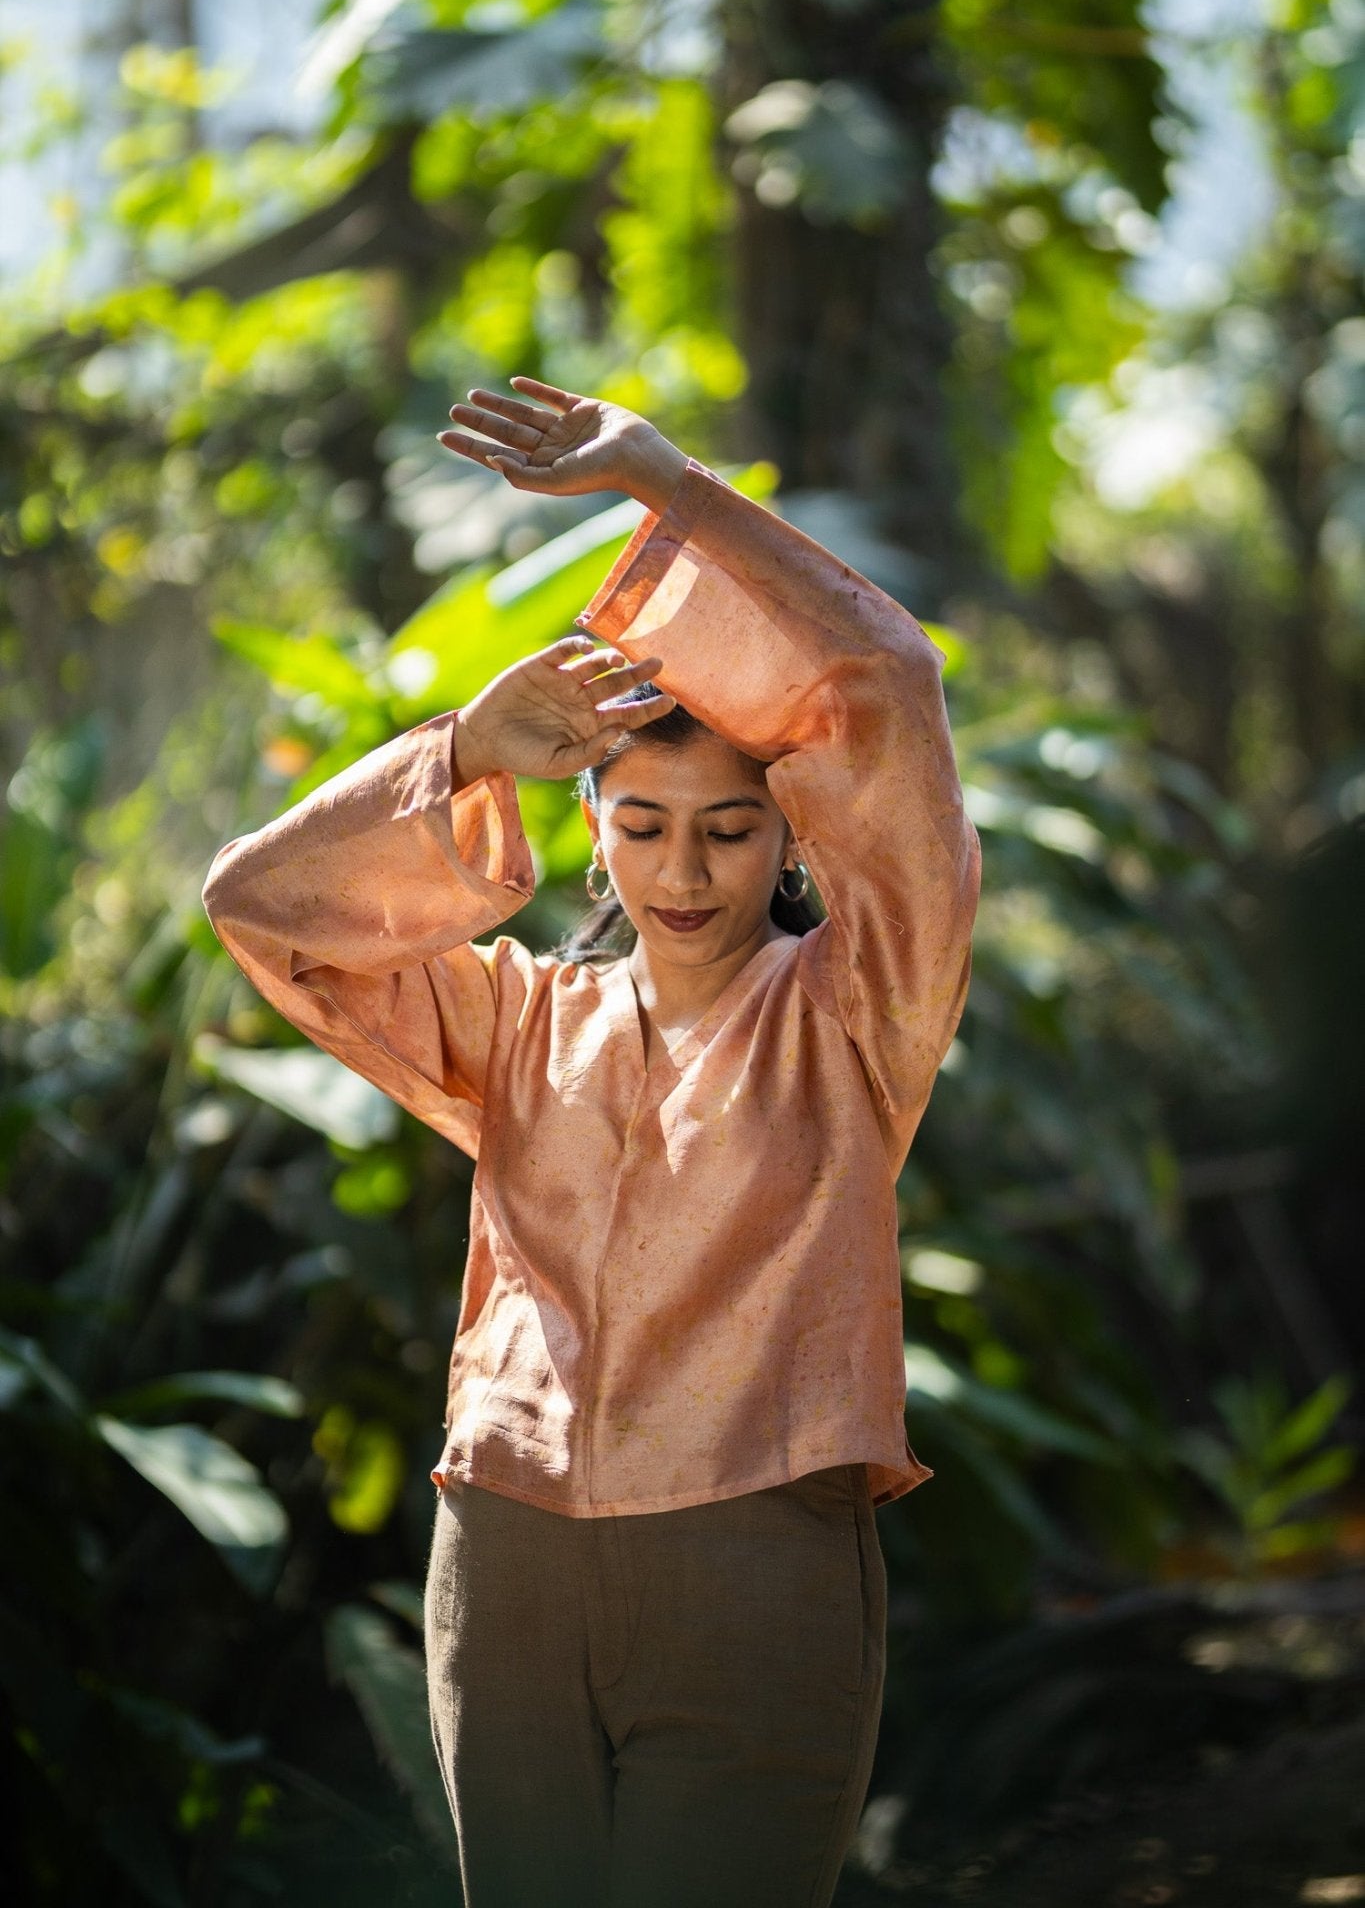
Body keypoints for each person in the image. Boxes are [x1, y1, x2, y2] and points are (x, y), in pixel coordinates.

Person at [200, 376, 981, 1908]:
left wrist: (667, 487)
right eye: (641, 822)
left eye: (729, 825)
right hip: (506, 1554)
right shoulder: (513, 1021)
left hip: (754, 1558)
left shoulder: (855, 1013)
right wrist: (466, 751)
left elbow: (884, 684)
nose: (682, 867)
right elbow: (259, 910)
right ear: (594, 826)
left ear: (792, 835)